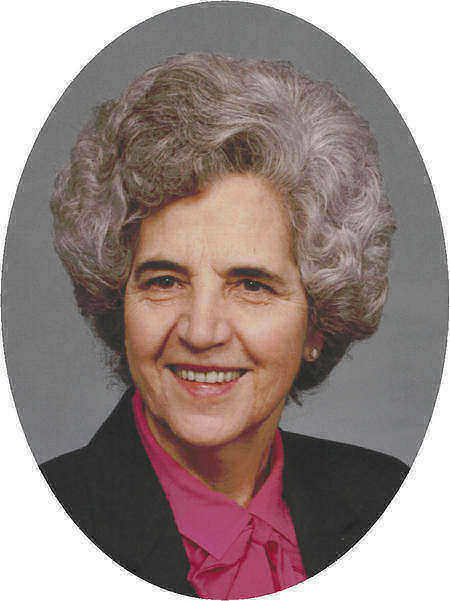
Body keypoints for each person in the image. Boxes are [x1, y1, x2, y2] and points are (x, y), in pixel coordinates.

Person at [41, 53, 408, 599]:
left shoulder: (387, 499)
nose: (201, 331)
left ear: (317, 324)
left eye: (252, 285)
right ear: (118, 303)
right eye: (165, 281)